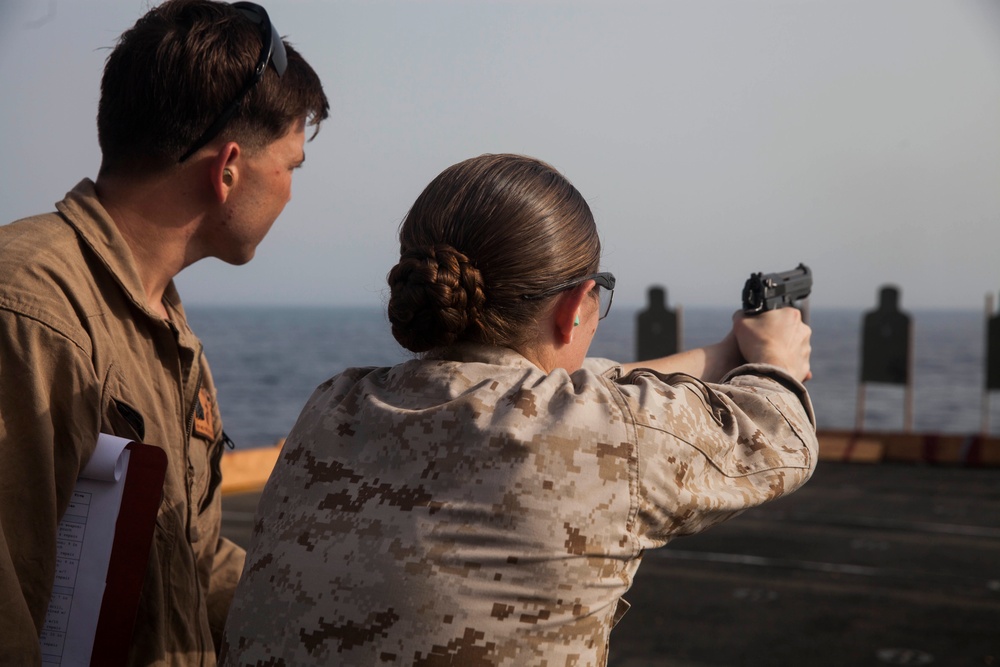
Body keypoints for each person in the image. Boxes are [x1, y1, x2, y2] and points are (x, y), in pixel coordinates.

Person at [220, 154, 817, 666]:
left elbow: (577, 390)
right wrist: (777, 361)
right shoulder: (602, 435)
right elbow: (781, 432)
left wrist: (725, 350)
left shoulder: (332, 405)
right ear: (575, 306)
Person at [0, 1, 329, 664]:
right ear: (228, 166)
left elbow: (191, 559)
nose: (292, 191)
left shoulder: (162, 329)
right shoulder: (32, 311)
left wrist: (344, 614)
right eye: (292, 165)